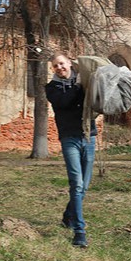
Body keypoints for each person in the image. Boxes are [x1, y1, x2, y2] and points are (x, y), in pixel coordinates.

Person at [45, 53, 97, 248]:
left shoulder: (84, 82)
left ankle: (68, 216)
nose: (60, 68)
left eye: (62, 63)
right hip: (69, 139)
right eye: (56, 66)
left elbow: (95, 100)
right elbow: (64, 102)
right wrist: (82, 86)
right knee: (76, 184)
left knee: (84, 187)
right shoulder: (52, 88)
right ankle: (79, 231)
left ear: (70, 64)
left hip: (88, 136)